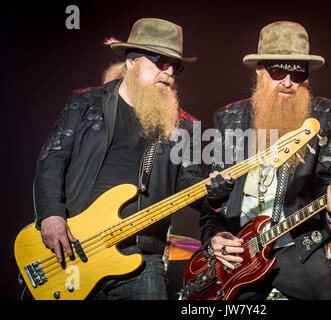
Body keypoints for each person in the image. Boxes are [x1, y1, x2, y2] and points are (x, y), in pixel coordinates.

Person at [33, 18, 231, 300]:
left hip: (142, 258)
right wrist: (50, 215)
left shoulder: (183, 126)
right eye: (162, 62)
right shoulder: (86, 103)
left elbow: (191, 185)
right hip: (75, 246)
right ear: (131, 61)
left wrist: (215, 192)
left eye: (177, 66)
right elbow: (51, 161)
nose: (170, 72)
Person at [199, 21, 331, 300]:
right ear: (260, 71)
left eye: (298, 74)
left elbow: (329, 181)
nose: (288, 82)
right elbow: (216, 199)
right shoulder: (228, 118)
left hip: (300, 247)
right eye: (278, 71)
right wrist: (215, 238)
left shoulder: (323, 114)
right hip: (241, 254)